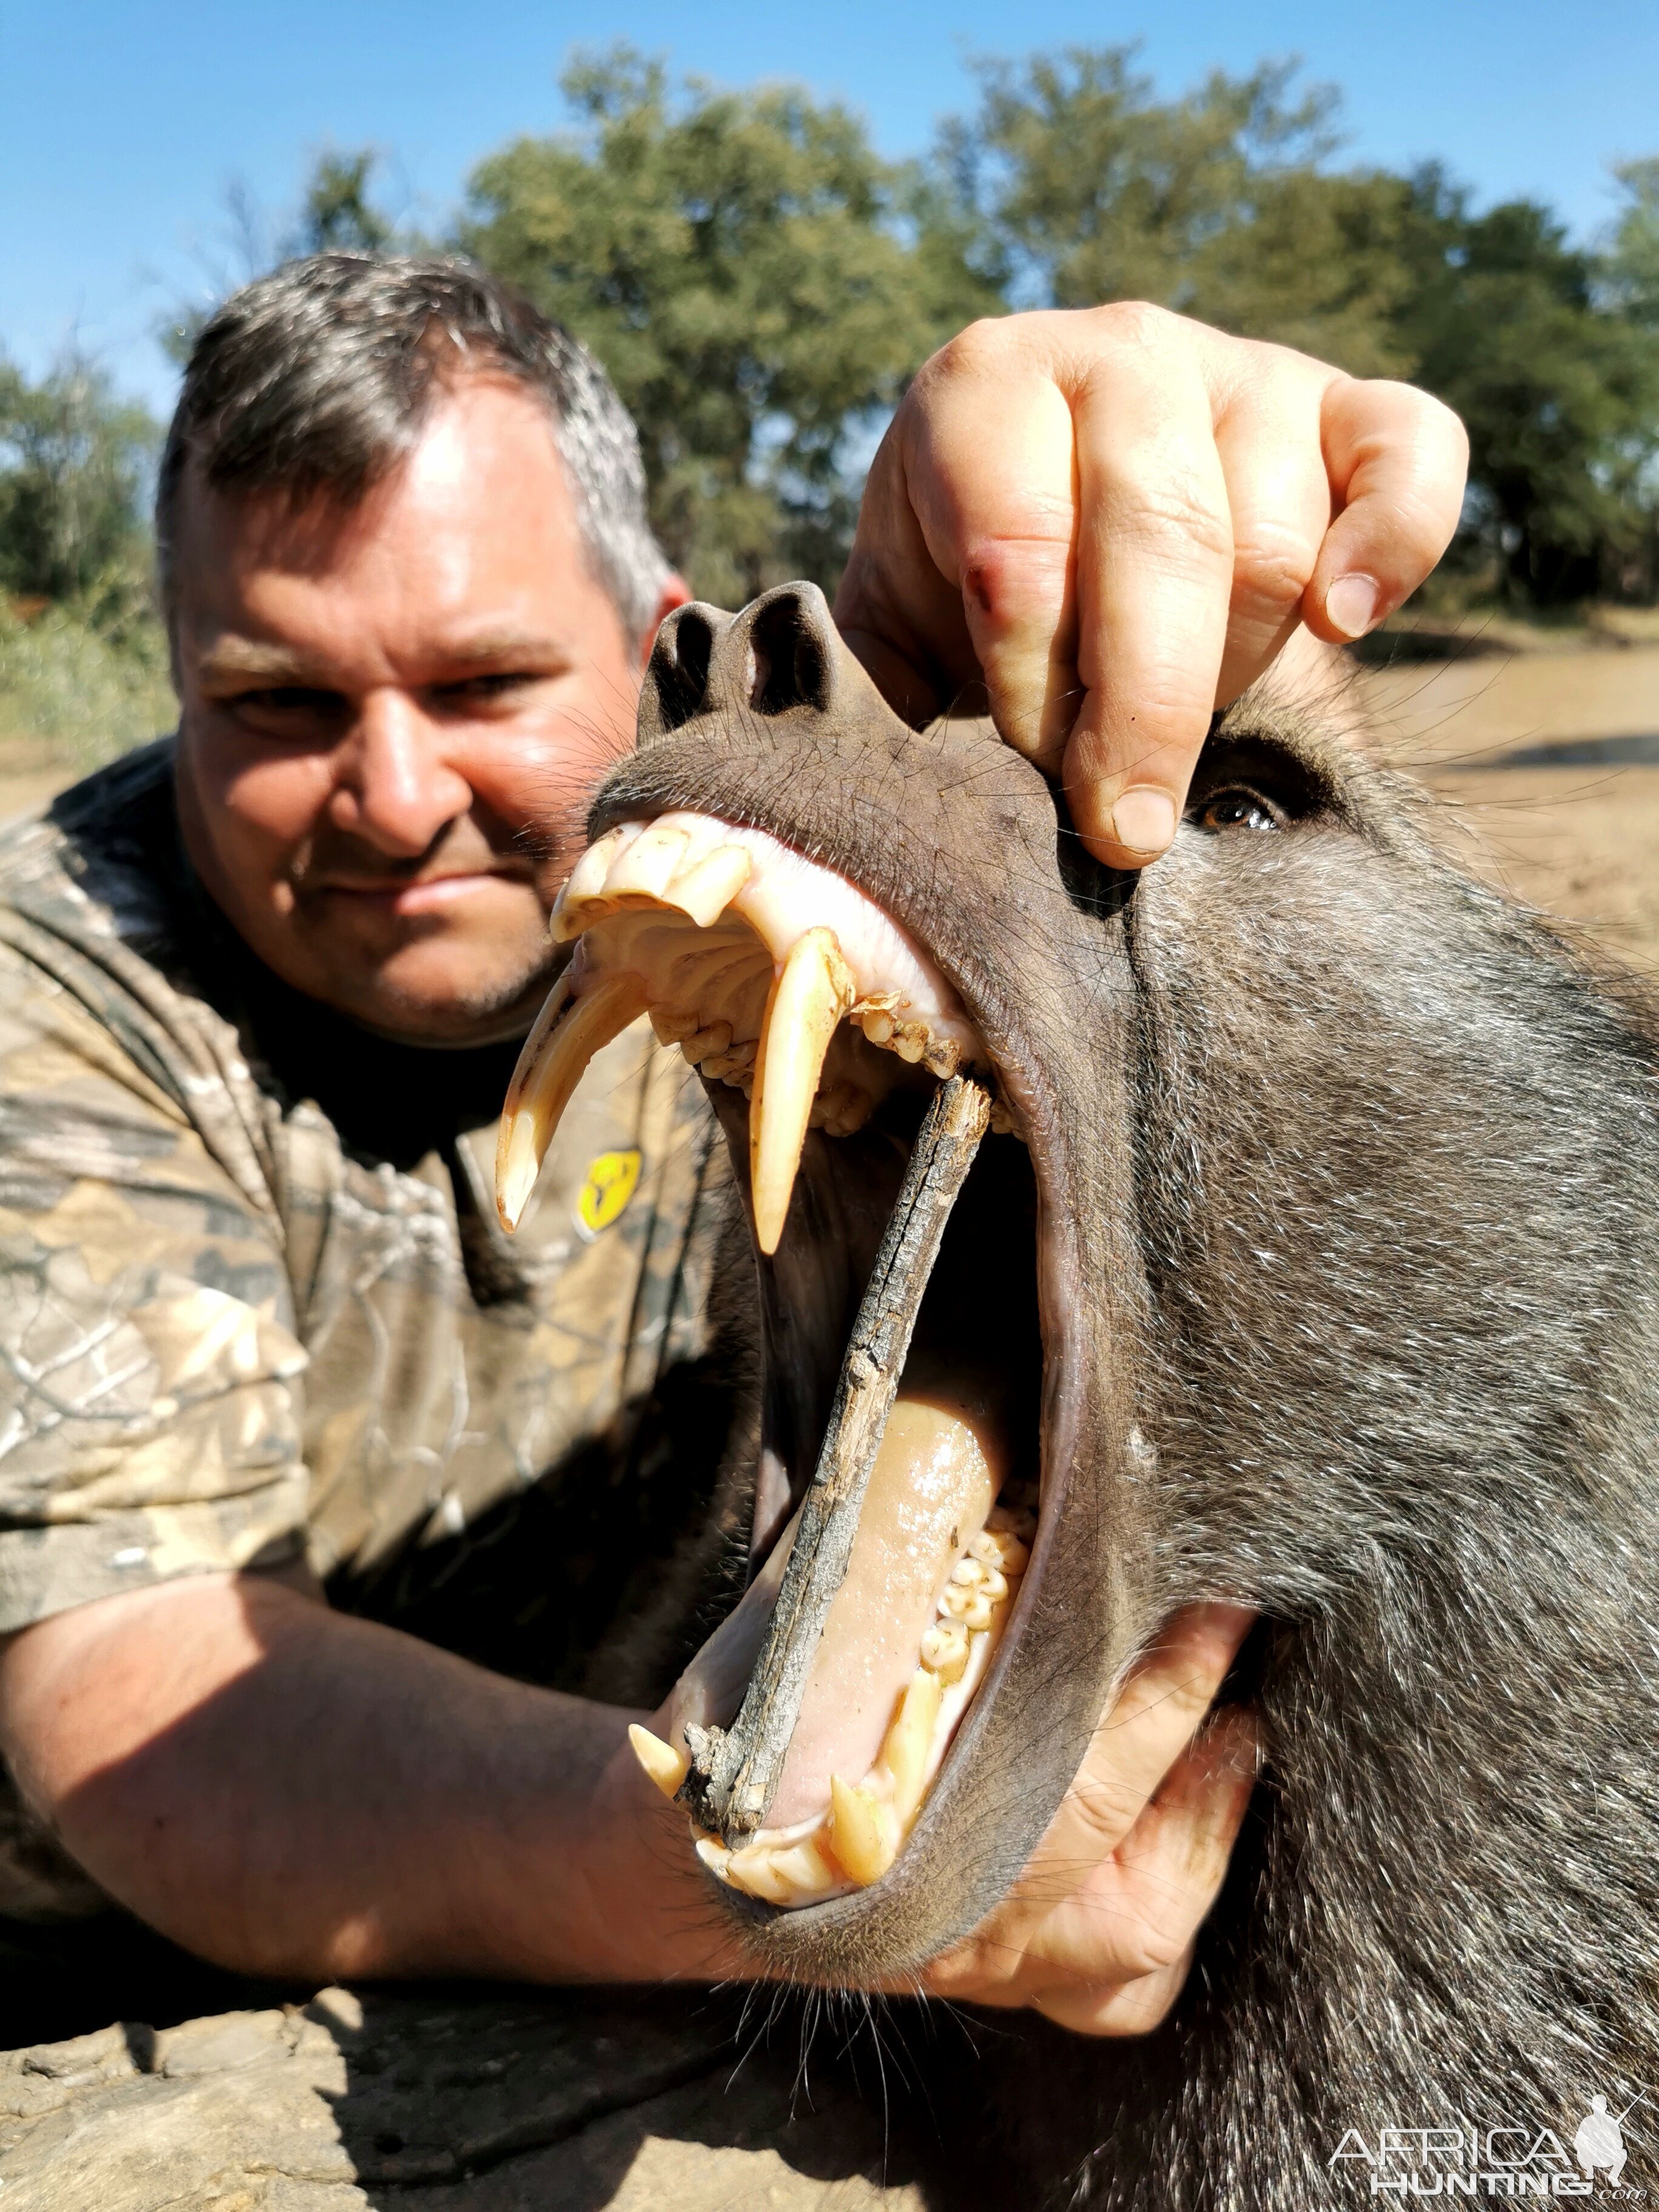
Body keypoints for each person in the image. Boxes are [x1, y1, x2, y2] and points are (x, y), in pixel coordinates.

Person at [0, 255, 1465, 2037]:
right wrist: (811, 1882)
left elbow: (1129, 769)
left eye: (482, 682)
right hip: (129, 1999)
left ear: (653, 646)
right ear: (175, 682)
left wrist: (1125, 476)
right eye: (279, 704)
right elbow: (146, 1715)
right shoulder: (61, 974)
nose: (391, 798)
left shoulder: (755, 773)